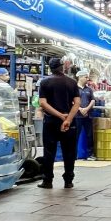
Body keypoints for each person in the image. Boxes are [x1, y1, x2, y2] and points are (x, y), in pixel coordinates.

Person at [37, 57, 81, 189]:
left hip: (51, 122)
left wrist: (59, 116)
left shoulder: (44, 82)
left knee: (49, 151)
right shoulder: (72, 82)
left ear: (50, 68)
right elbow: (77, 103)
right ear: (62, 67)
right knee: (69, 152)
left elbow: (42, 103)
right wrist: (67, 119)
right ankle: (68, 180)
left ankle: (48, 181)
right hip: (70, 122)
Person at [75, 71, 96, 161]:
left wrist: (86, 109)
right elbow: (72, 101)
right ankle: (73, 154)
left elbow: (93, 100)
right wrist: (80, 109)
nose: (87, 79)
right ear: (80, 77)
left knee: (89, 135)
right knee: (75, 135)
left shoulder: (89, 89)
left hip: (88, 116)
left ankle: (90, 154)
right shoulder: (74, 89)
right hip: (77, 116)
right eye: (86, 77)